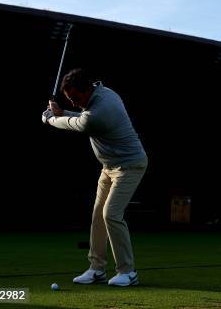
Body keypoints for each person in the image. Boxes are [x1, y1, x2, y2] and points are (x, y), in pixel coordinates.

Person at [42, 69, 148, 287]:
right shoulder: (101, 94)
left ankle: (128, 272)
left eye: (76, 98)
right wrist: (61, 112)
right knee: (98, 215)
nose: (75, 102)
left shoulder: (101, 110)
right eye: (70, 99)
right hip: (108, 167)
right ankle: (96, 269)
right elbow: (80, 116)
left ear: (88, 89)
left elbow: (80, 123)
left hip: (131, 165)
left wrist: (51, 118)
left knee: (111, 213)